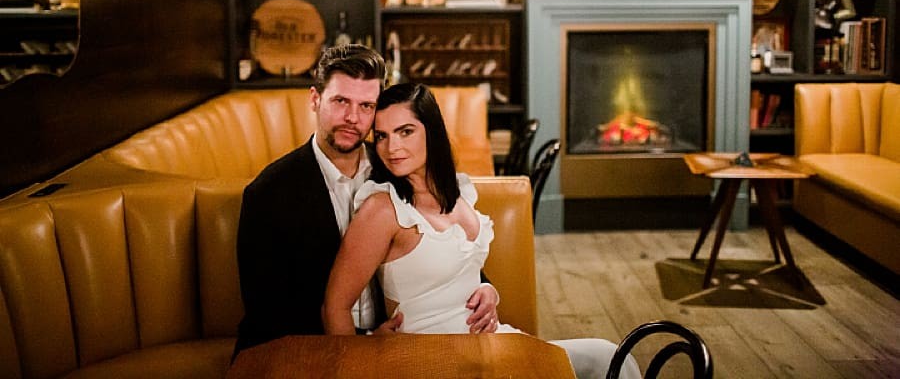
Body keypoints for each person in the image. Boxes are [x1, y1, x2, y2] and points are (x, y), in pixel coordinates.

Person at [323, 83, 641, 379]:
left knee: (613, 357)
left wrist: (488, 289)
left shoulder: (459, 191)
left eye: (406, 131)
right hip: (430, 360)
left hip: (488, 345)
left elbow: (454, 264)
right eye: (381, 136)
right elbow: (335, 305)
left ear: (431, 132)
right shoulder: (382, 209)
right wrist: (362, 356)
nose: (392, 147)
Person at [234, 46, 500, 356]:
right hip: (300, 350)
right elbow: (268, 311)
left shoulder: (396, 164)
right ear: (314, 99)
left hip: (398, 343)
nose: (352, 117)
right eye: (340, 101)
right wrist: (361, 341)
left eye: (366, 106)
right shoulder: (268, 193)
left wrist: (484, 287)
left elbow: (443, 243)